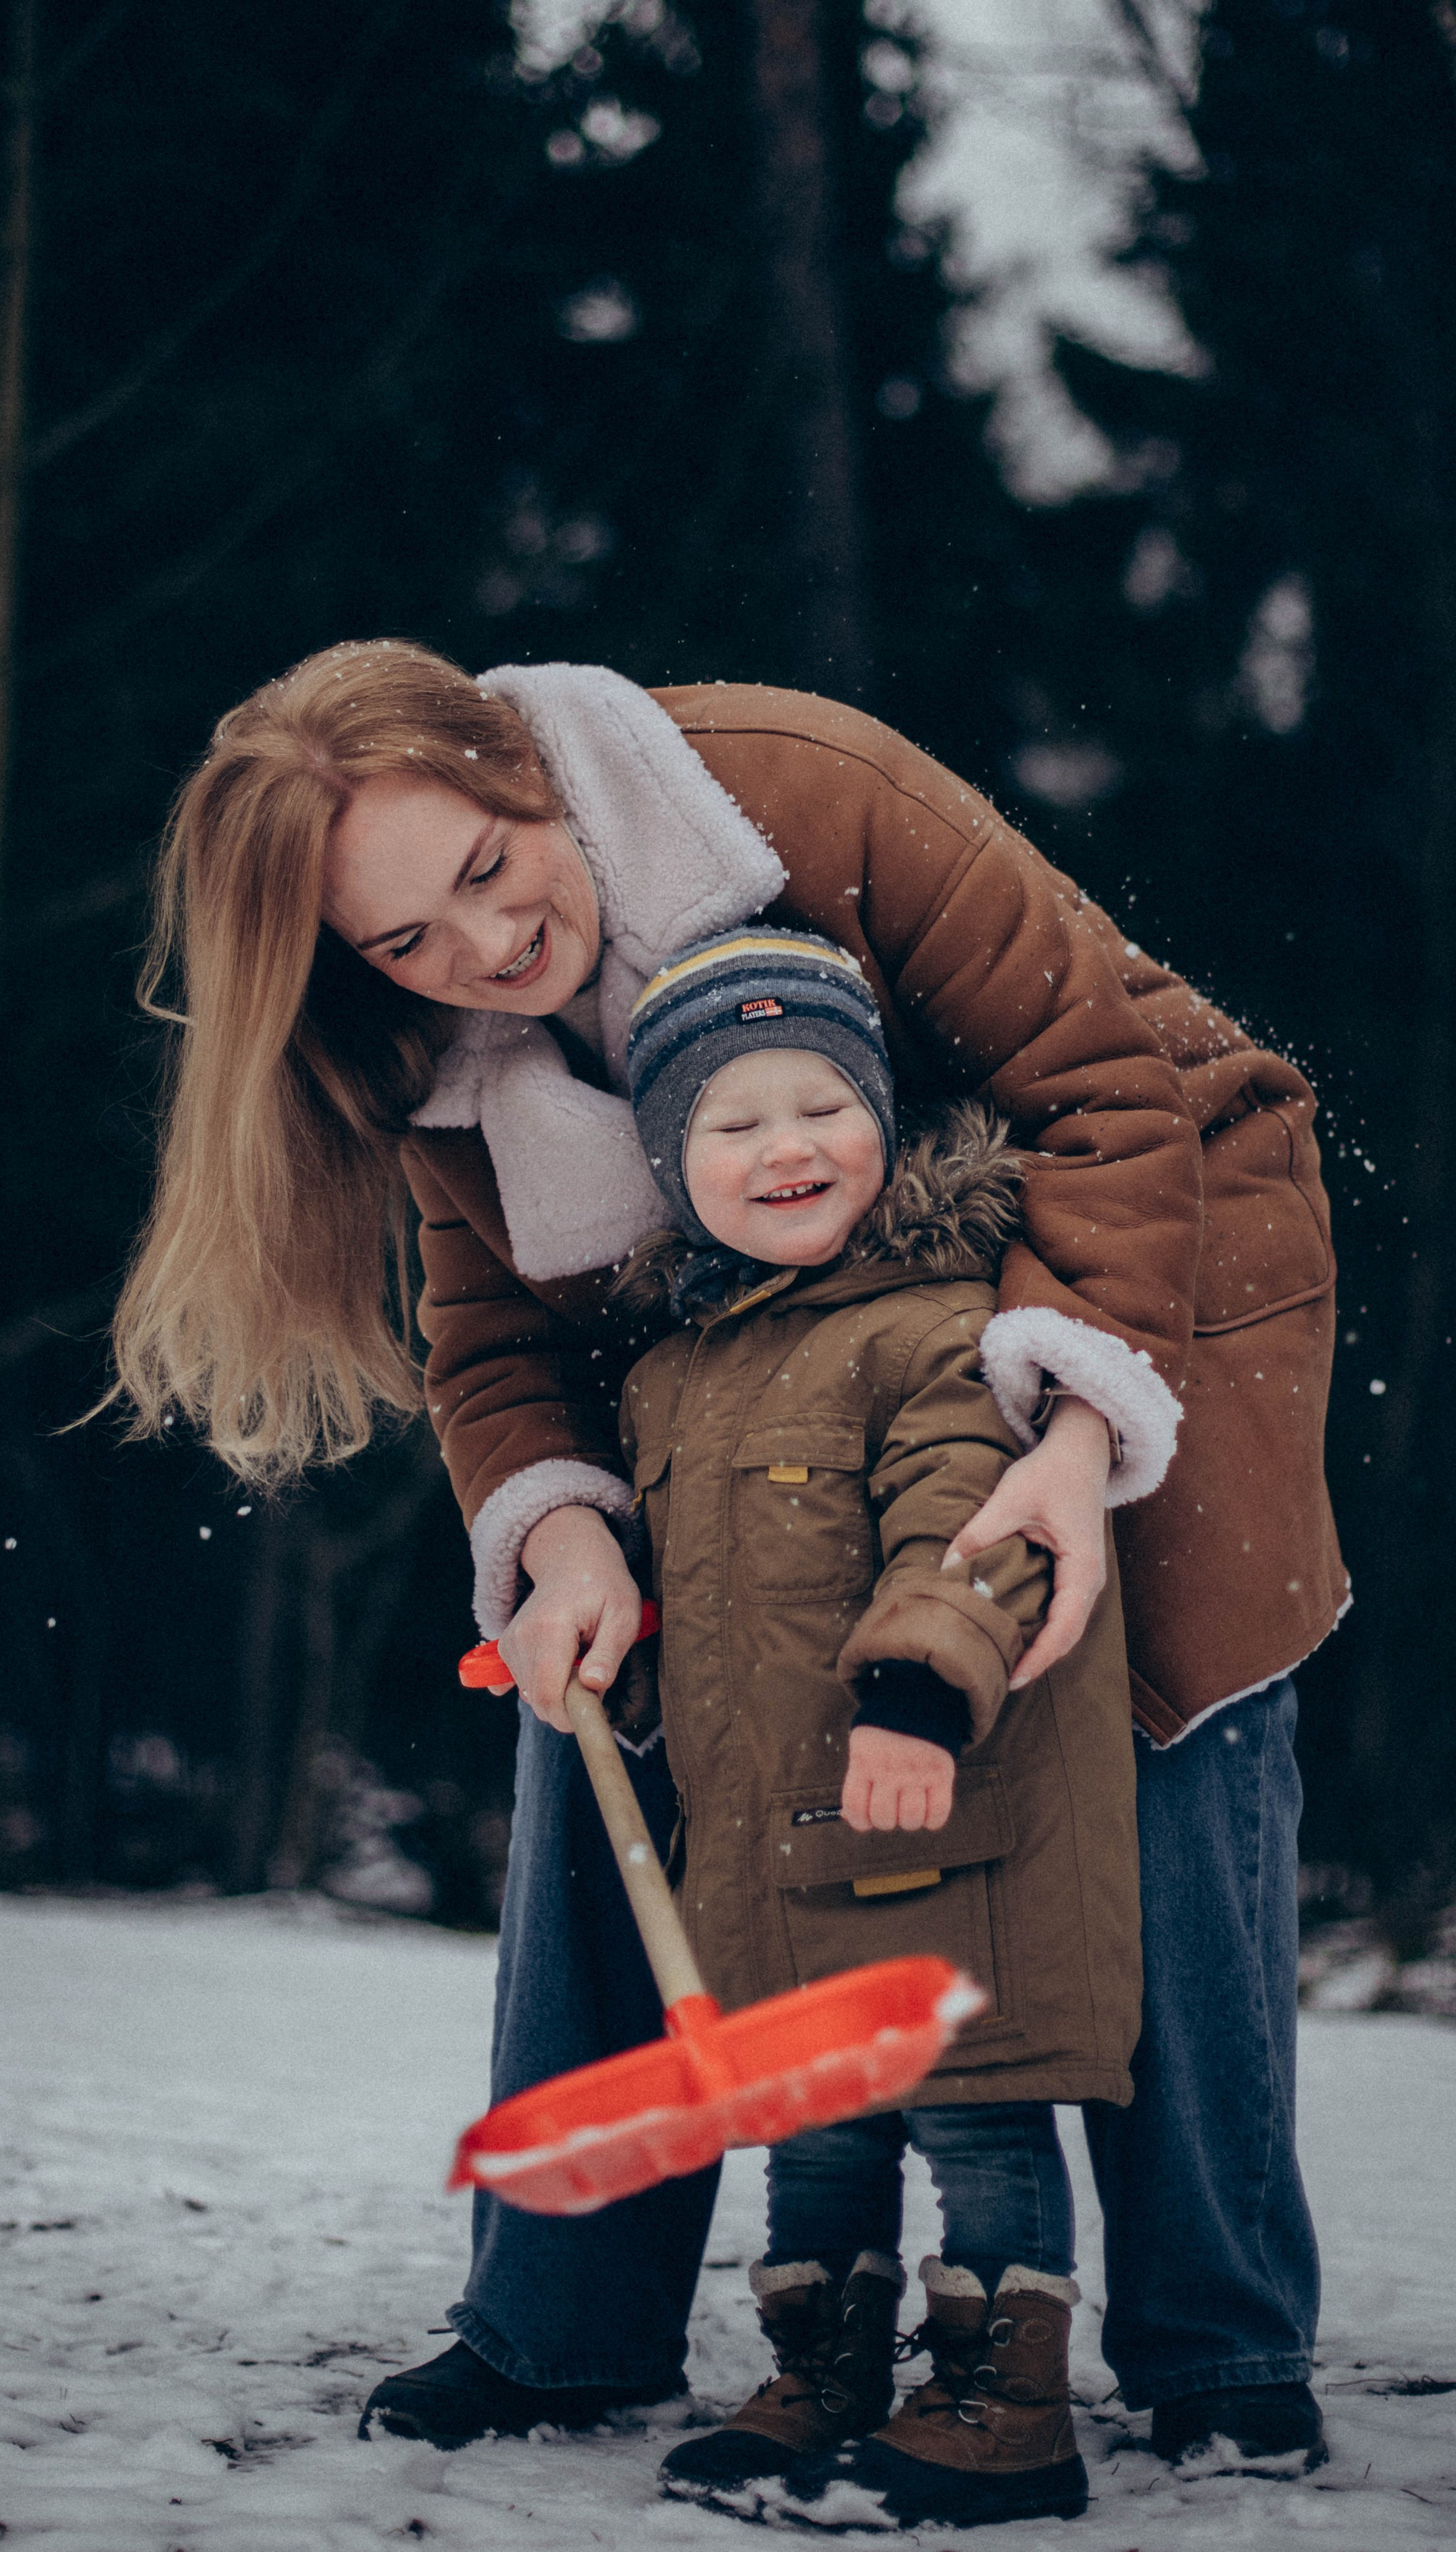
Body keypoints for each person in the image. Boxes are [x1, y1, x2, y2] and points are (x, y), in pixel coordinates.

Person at [108, 639, 1343, 2467]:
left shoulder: (799, 785)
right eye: (403, 944)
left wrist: (1081, 1438)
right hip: (766, 1343)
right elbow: (502, 1333)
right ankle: (562, 2324)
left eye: (482, 870)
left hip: (1148, 1231)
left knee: (1144, 1685)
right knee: (601, 1701)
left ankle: (1223, 2345)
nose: (483, 949)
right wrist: (561, 1539)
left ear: (518, 768)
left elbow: (1114, 1089)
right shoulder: (439, 1047)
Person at [610, 926, 1139, 2529]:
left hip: (936, 1822)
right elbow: (709, 1615)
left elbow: (972, 1531)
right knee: (818, 2141)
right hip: (773, 1854)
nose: (785, 1149)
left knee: (973, 2114)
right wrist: (604, 1657)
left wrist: (916, 1689)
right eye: (732, 1121)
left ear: (887, 1127)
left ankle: (1002, 2403)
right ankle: (822, 2374)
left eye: (820, 1104)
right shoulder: (672, 1378)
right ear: (668, 1163)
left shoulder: (939, 1329)